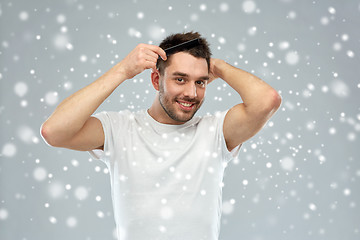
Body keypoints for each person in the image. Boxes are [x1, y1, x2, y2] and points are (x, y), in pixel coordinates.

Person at [40, 31, 281, 240]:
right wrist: (122, 71)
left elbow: (267, 101)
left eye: (201, 82)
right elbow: (54, 132)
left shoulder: (215, 132)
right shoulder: (120, 128)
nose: (191, 93)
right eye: (180, 79)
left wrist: (216, 66)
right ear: (156, 80)